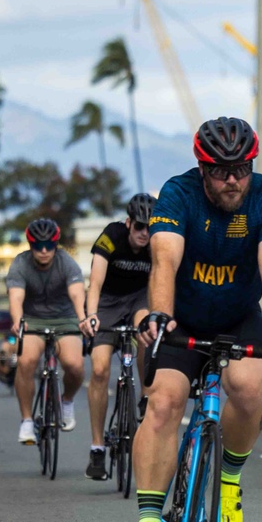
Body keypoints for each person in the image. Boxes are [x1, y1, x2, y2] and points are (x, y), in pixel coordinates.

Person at [130, 117, 262, 522]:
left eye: (241, 168)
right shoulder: (178, 193)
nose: (232, 179)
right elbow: (164, 261)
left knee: (249, 392)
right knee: (165, 403)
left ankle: (228, 482)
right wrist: (159, 316)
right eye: (219, 170)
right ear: (201, 166)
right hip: (182, 320)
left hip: (237, 318)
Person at [80, 192, 155, 480]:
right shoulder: (112, 235)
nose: (144, 233)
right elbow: (95, 281)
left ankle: (145, 399)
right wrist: (91, 315)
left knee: (148, 331)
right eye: (139, 226)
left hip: (139, 300)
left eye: (149, 227)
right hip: (108, 302)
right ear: (128, 223)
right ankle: (97, 447)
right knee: (99, 369)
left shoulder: (157, 241)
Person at [5, 218, 88, 445]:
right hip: (32, 321)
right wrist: (18, 320)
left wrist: (83, 319)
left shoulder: (66, 263)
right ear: (30, 245)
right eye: (37, 246)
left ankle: (67, 400)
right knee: (25, 361)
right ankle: (27, 421)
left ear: (56, 245)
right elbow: (16, 297)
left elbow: (77, 294)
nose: (43, 251)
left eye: (49, 246)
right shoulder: (20, 264)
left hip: (66, 320)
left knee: (75, 365)